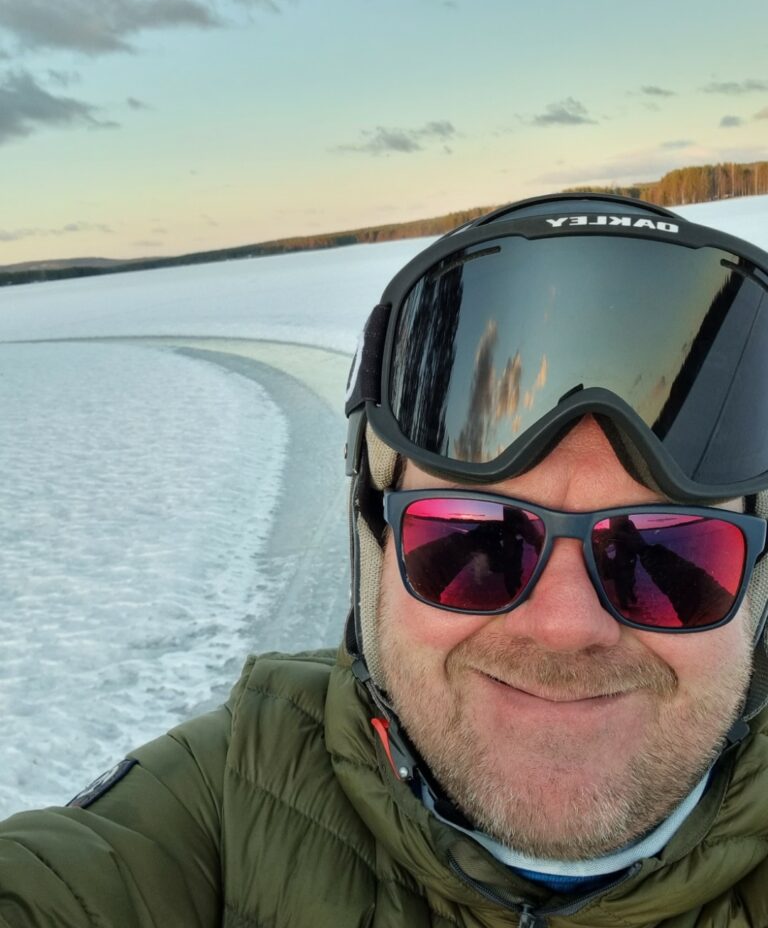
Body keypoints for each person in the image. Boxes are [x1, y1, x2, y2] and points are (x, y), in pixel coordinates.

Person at [1, 192, 767, 926]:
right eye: (477, 541)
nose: (566, 628)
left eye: (665, 552)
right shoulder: (225, 803)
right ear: (376, 546)